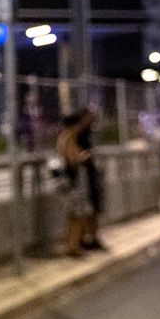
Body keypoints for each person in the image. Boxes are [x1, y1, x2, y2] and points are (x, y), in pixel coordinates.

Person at [55, 114, 94, 258]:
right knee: (77, 216)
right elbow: (73, 158)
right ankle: (73, 247)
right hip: (72, 182)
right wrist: (85, 156)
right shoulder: (69, 138)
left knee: (72, 215)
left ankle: (70, 245)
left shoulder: (62, 137)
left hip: (65, 183)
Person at [74, 107, 106, 251]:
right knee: (84, 209)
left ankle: (92, 237)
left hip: (91, 175)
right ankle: (82, 238)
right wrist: (87, 156)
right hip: (82, 177)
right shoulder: (77, 134)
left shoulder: (89, 132)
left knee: (94, 208)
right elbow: (76, 155)